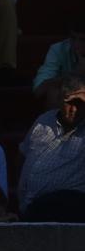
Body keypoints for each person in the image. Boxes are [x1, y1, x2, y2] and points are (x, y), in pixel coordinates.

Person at [18, 73, 85, 222]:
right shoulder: (44, 120)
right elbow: (23, 154)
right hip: (31, 207)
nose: (74, 109)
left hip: (70, 208)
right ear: (60, 99)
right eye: (70, 102)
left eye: (80, 103)